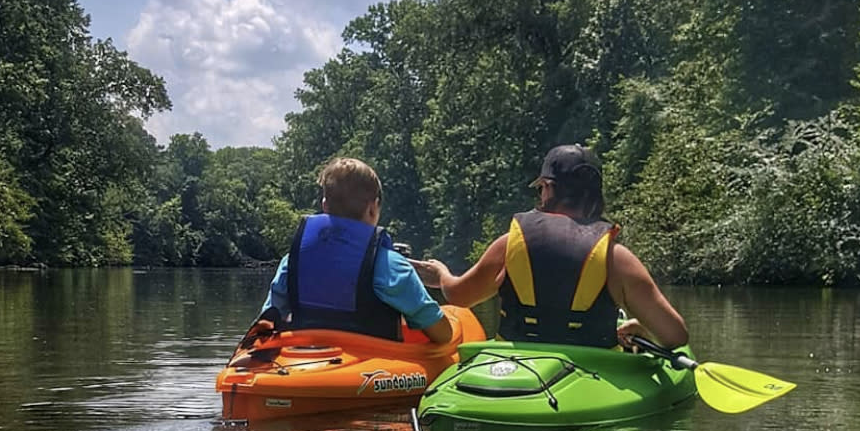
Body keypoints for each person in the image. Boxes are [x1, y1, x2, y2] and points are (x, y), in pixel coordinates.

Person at [411, 144, 687, 350]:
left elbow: (460, 297)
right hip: (590, 374)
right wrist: (640, 334)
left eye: (541, 188)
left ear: (547, 186)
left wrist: (441, 275)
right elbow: (676, 336)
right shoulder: (617, 259)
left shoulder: (509, 245)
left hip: (512, 369)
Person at [243, 157, 452, 346]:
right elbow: (442, 334)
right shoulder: (391, 265)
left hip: (305, 360)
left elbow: (268, 320)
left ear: (324, 205)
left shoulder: (293, 261)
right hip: (371, 364)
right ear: (373, 208)